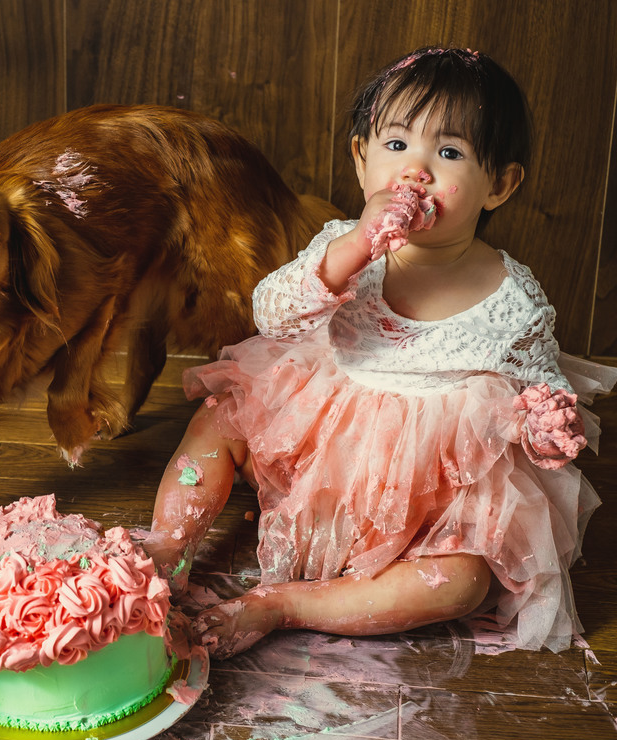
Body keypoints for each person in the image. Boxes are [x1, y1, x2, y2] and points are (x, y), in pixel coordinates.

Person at [144, 47, 617, 656]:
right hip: (319, 431)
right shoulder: (344, 248)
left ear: (499, 185)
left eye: (448, 153)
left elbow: (537, 386)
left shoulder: (513, 298)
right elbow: (272, 313)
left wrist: (545, 425)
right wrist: (352, 250)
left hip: (425, 482)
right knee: (220, 415)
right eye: (396, 146)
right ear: (361, 157)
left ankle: (281, 605)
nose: (414, 170)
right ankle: (167, 544)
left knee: (461, 583)